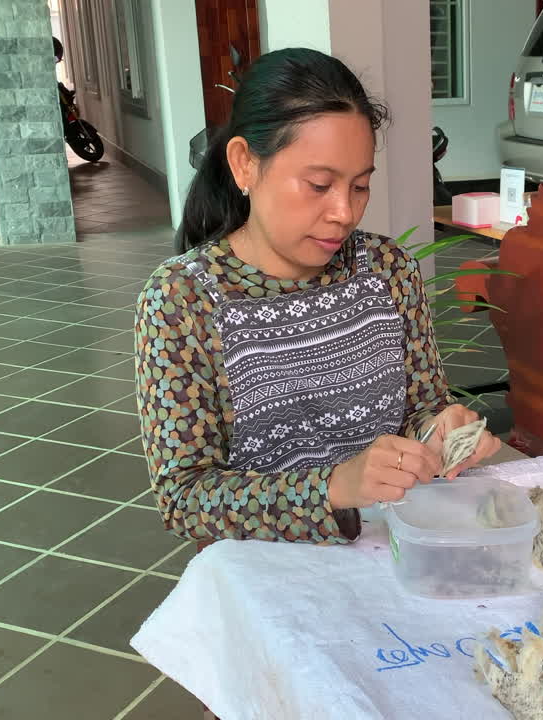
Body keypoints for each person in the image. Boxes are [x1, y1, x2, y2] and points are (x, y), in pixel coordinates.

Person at [134, 48, 501, 545]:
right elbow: (184, 498)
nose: (344, 213)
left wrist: (439, 430)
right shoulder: (184, 300)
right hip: (266, 568)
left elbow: (421, 410)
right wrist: (332, 487)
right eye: (319, 184)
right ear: (244, 164)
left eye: (361, 186)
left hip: (399, 545)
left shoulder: (389, 271)